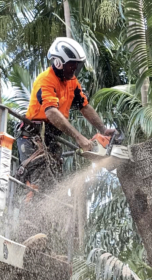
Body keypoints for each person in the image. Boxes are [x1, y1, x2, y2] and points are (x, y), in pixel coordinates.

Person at [16, 37, 116, 189]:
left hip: (51, 137)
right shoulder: (45, 80)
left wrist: (103, 130)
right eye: (72, 65)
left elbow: (85, 106)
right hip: (32, 136)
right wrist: (78, 137)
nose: (75, 69)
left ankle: (51, 212)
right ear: (58, 62)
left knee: (56, 183)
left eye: (77, 65)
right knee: (38, 181)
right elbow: (51, 113)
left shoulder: (72, 82)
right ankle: (29, 210)